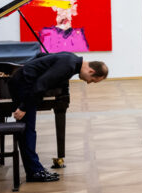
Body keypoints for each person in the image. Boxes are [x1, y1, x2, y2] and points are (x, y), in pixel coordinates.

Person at [10, 53, 108, 182]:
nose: (89, 83)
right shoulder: (68, 66)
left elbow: (41, 55)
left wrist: (32, 67)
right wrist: (23, 107)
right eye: (92, 80)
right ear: (91, 71)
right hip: (24, 86)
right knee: (28, 131)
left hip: (25, 83)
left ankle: (34, 170)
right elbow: (41, 84)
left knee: (28, 131)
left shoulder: (72, 59)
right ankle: (34, 172)